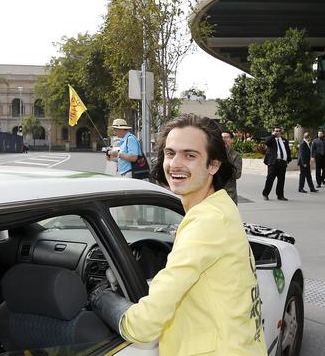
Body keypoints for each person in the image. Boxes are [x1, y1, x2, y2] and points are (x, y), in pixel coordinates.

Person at [91, 114, 268, 356]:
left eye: (190, 155)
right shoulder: (221, 207)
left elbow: (143, 326)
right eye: (170, 153)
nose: (175, 164)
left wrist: (102, 300)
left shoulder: (207, 222)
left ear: (213, 165)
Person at [261, 126, 291, 201]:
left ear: (281, 132)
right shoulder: (271, 139)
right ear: (273, 132)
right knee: (270, 179)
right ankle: (265, 194)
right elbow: (266, 142)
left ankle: (280, 195)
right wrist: (273, 135)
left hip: (282, 163)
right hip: (273, 163)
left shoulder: (284, 140)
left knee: (281, 180)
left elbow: (287, 150)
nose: (277, 132)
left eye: (278, 131)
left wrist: (288, 159)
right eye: (276, 131)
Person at [222, 130, 243, 204]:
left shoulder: (236, 156)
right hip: (214, 193)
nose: (223, 140)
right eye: (222, 138)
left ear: (232, 140)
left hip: (229, 193)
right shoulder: (214, 155)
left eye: (226, 137)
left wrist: (227, 156)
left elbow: (237, 175)